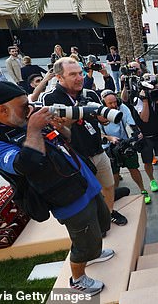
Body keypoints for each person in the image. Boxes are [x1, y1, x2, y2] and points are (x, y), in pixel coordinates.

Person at [0, 81, 113, 295]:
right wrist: (34, 128)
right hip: (63, 195)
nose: (29, 108)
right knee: (83, 240)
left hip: (83, 180)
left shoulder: (26, 121)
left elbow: (67, 139)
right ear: (2, 109)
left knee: (102, 220)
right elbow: (25, 165)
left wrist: (61, 128)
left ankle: (95, 250)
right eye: (23, 105)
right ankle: (78, 278)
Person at [40, 57, 128, 226]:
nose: (79, 78)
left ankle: (108, 214)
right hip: (75, 158)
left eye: (80, 73)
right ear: (59, 77)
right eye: (73, 74)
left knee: (108, 186)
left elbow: (103, 122)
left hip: (98, 150)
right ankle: (94, 224)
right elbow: (56, 129)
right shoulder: (50, 98)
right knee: (86, 195)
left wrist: (103, 117)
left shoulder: (90, 93)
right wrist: (79, 111)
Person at [98, 90, 151, 204]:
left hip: (124, 143)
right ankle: (113, 196)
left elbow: (131, 124)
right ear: (103, 104)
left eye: (115, 102)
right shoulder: (99, 113)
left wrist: (137, 133)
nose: (114, 105)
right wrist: (109, 138)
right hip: (109, 147)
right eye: (110, 103)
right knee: (114, 174)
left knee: (133, 168)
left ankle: (143, 190)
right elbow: (98, 134)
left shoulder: (122, 108)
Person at [121, 74, 158, 193]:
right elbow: (145, 118)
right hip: (145, 136)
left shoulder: (157, 95)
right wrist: (145, 101)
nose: (152, 89)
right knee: (148, 162)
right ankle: (152, 180)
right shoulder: (138, 99)